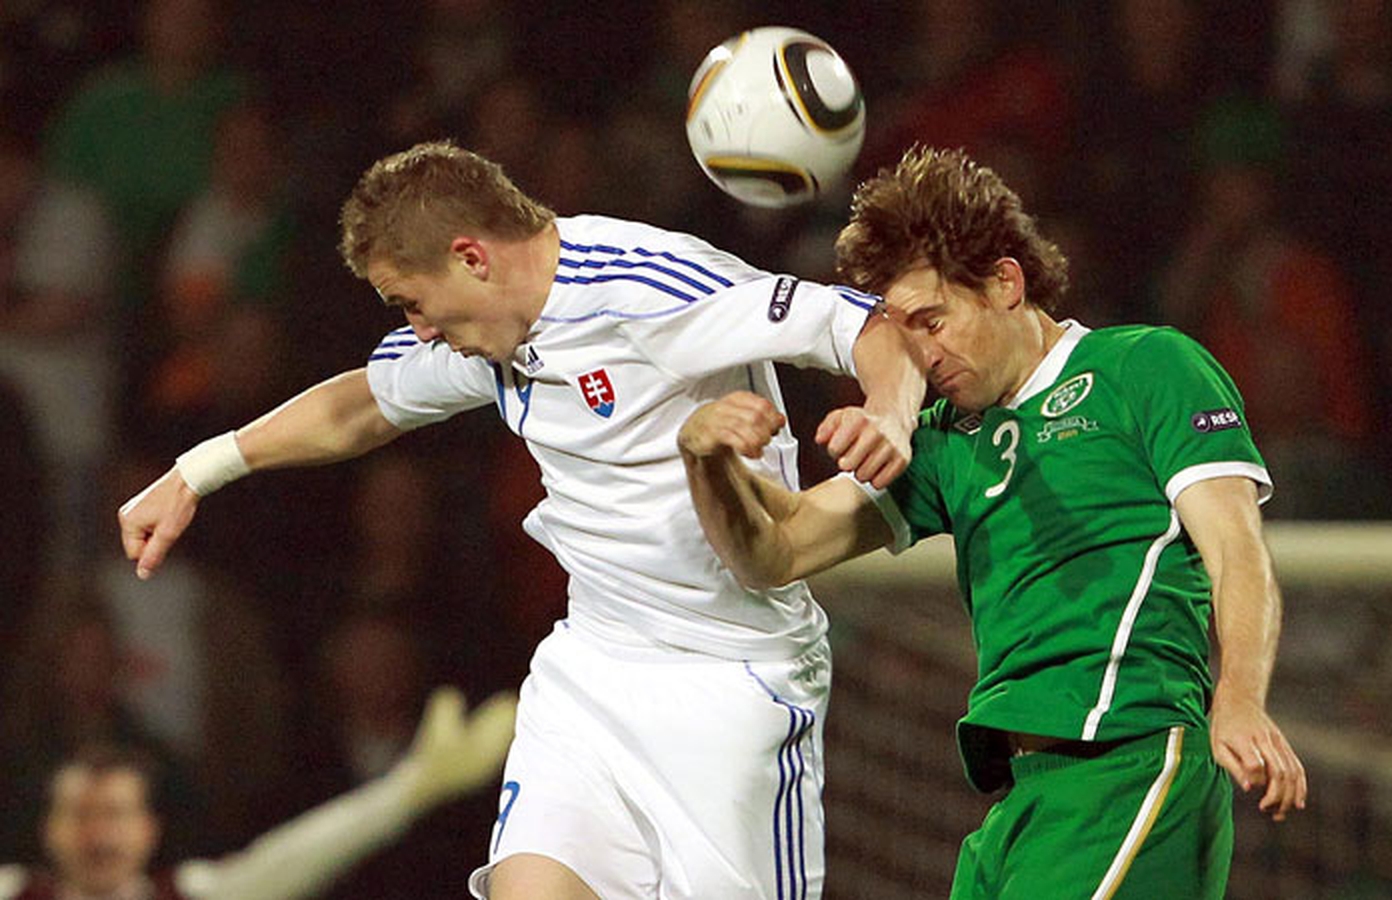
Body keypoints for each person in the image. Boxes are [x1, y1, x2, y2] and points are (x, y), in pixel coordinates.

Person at [118, 141, 923, 900]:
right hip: (592, 670)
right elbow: (364, 404)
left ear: (472, 257)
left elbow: (861, 324)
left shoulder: (642, 288)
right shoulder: (490, 334)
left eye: (413, 303)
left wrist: (888, 412)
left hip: (731, 680)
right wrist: (198, 471)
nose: (419, 331)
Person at [677, 146, 1307, 898]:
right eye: (905, 335)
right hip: (1021, 804)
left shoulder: (1145, 367)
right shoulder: (944, 441)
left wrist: (1238, 699)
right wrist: (707, 459)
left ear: (1006, 282)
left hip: (1131, 765)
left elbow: (1237, 551)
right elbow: (776, 551)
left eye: (933, 320)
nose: (923, 354)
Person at [0, 687, 514, 900]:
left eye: (114, 814)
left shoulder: (192, 894)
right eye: (81, 814)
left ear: (148, 829)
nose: (98, 835)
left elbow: (297, 856)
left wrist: (409, 791)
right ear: (48, 828)